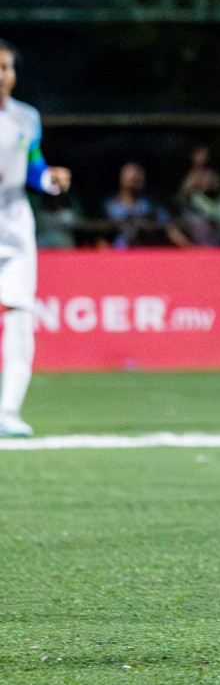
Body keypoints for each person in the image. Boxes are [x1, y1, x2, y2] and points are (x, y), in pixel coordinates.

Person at [0, 40, 71, 437]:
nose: (2, 75)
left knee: (20, 315)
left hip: (12, 224)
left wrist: (49, 180)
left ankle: (8, 411)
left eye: (7, 67)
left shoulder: (26, 118)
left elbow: (33, 166)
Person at [104, 162, 188, 248]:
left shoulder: (150, 206)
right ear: (121, 179)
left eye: (137, 177)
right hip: (118, 254)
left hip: (146, 253)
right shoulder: (109, 207)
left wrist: (189, 249)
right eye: (131, 178)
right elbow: (101, 237)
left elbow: (171, 229)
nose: (134, 179)